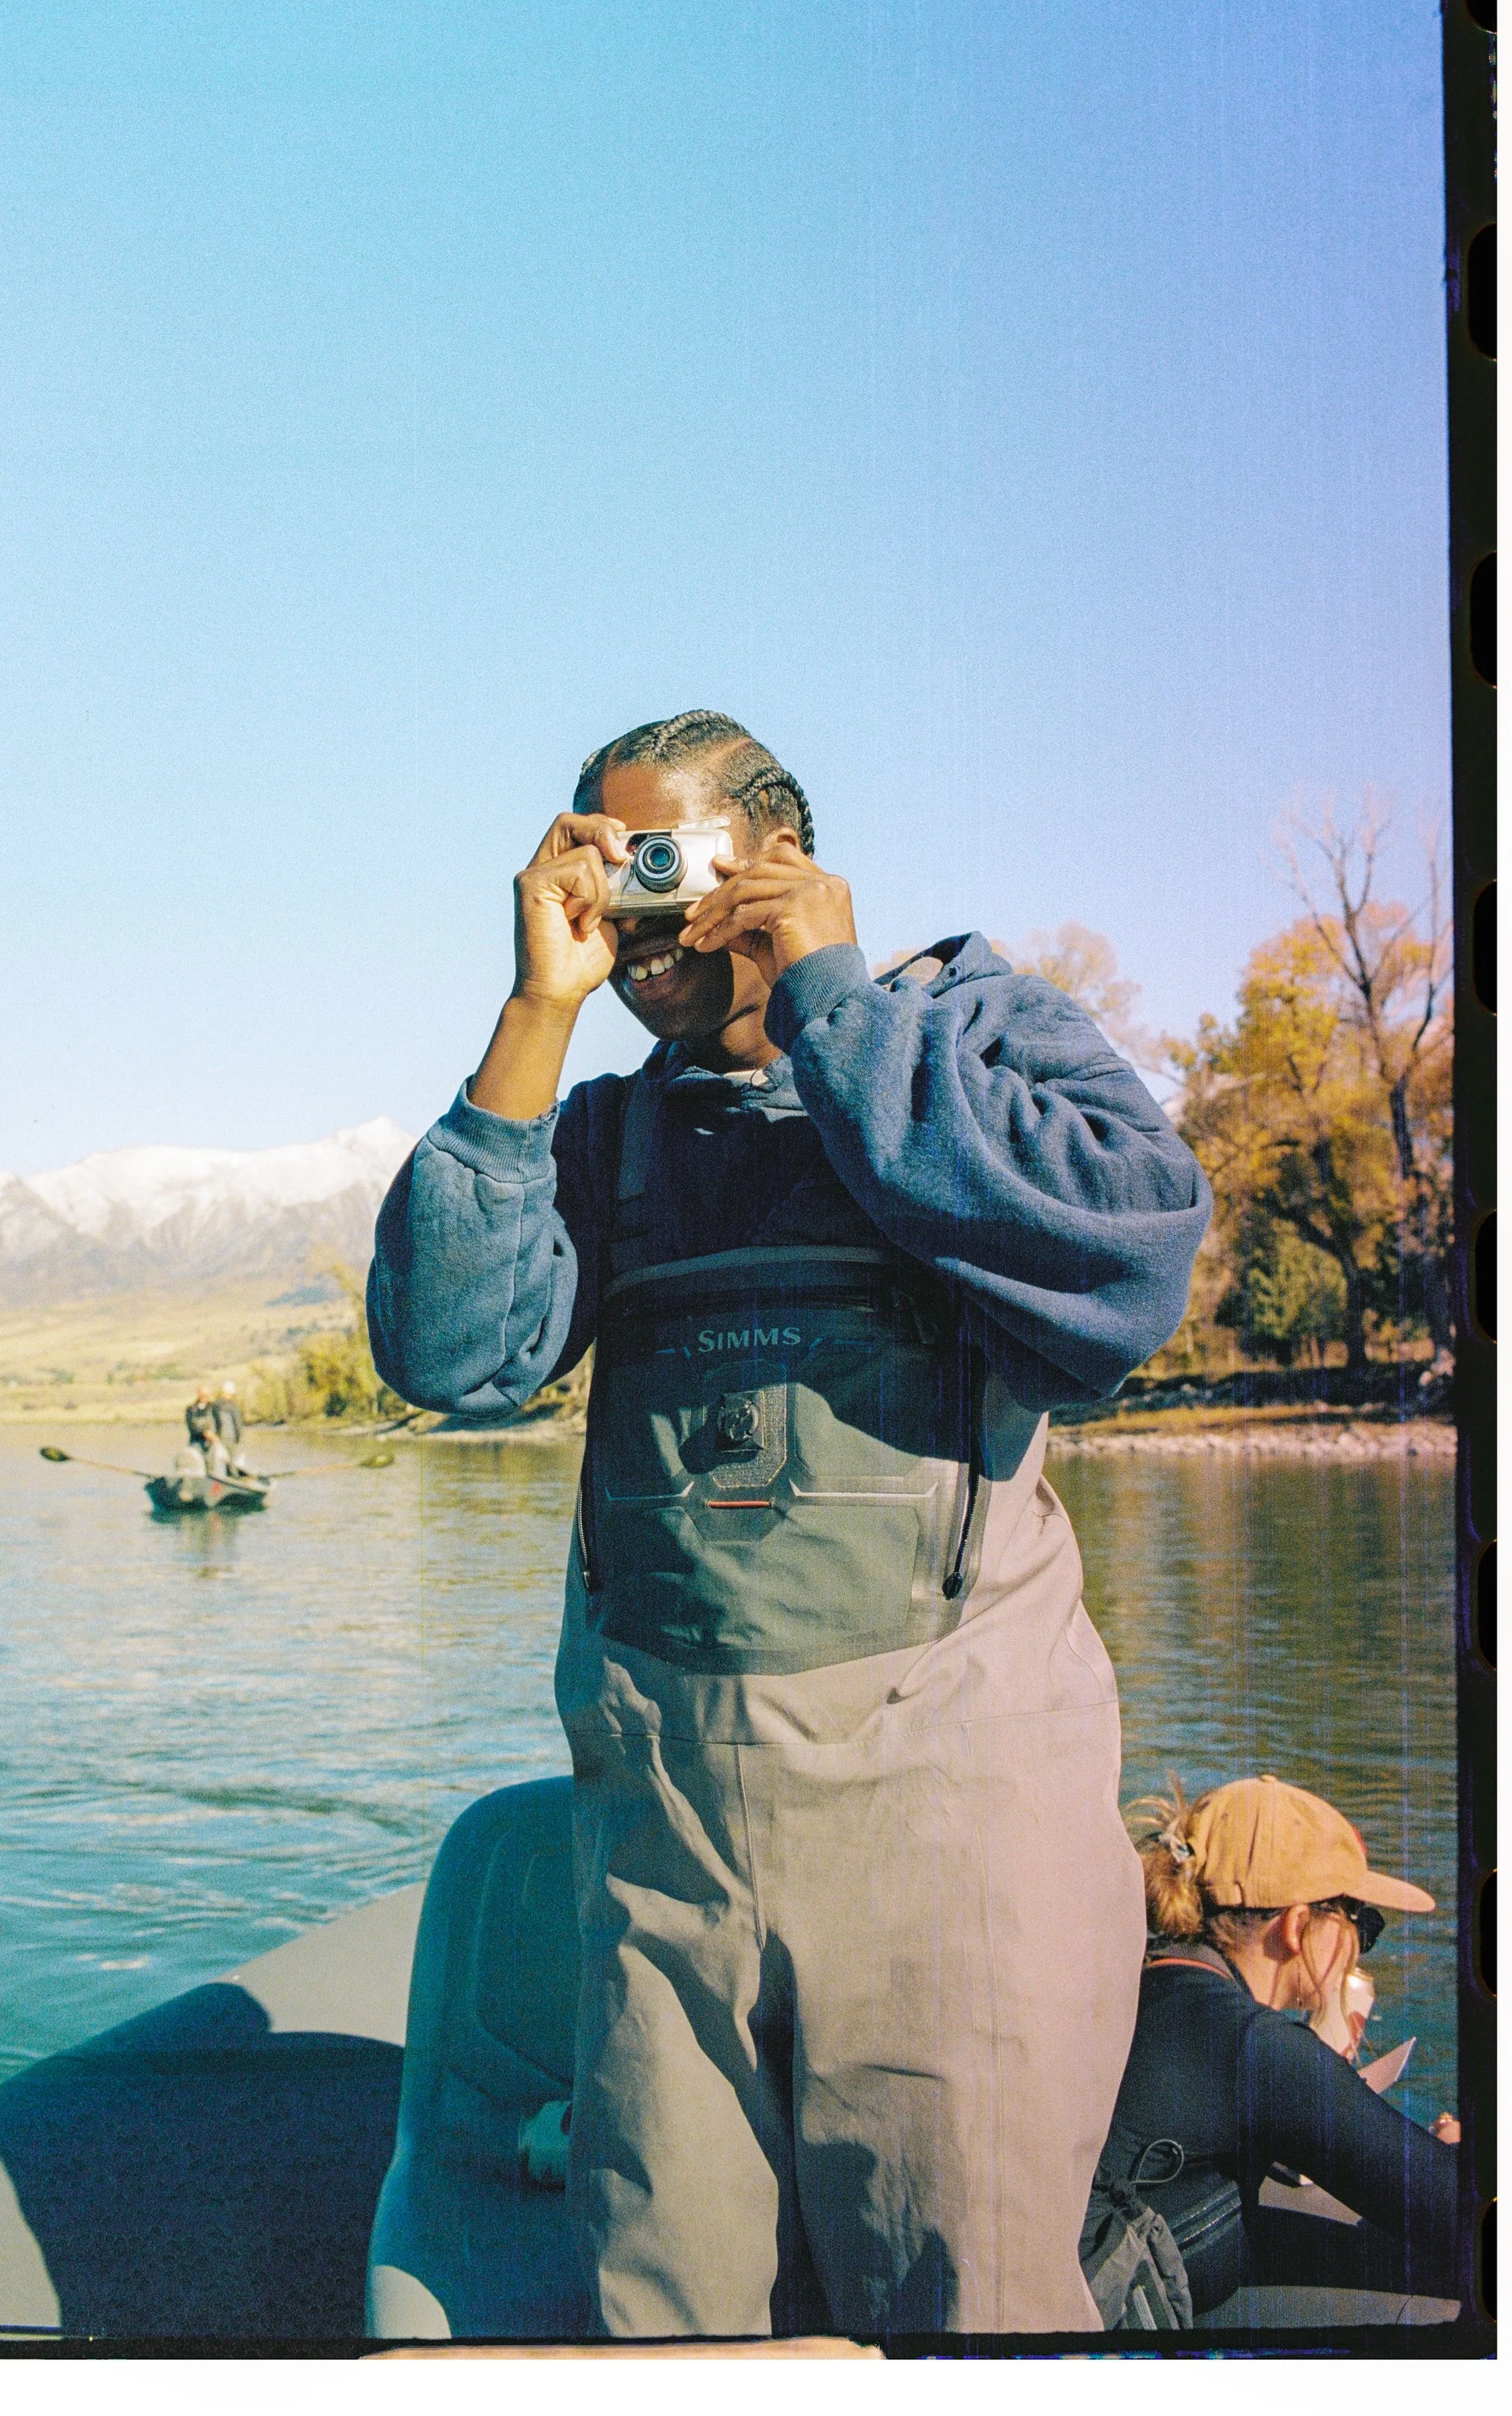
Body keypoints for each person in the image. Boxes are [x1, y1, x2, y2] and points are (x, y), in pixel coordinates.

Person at [367, 708, 1212, 2336]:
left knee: (962, 2292)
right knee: (665, 2308)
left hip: (950, 1818)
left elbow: (1126, 1267)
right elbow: (448, 1356)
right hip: (665, 1840)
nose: (632, 920)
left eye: (661, 864)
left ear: (771, 857)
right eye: (599, 877)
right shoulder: (608, 1134)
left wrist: (835, 1009)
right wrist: (531, 1019)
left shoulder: (968, 1031)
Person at [1095, 1774, 1459, 2316]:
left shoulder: (1149, 1979)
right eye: (1362, 1919)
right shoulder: (1255, 2047)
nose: (1362, 1945)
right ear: (1295, 1926)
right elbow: (1463, 2217)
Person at [213, 1381, 247, 1474]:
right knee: (232, 1463)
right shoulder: (233, 1407)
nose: (232, 1397)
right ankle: (233, 1479)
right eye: (231, 1394)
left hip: (217, 1439)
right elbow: (238, 1425)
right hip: (230, 1438)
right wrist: (239, 1438)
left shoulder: (215, 1405)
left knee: (218, 1463)